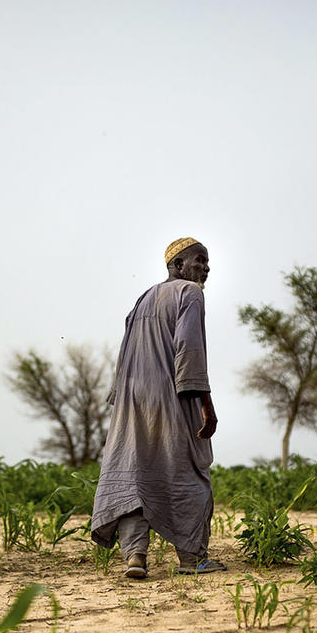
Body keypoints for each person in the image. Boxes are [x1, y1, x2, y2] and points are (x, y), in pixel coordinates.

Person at [90, 237, 227, 579]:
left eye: (208, 262)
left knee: (135, 475)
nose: (206, 268)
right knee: (189, 475)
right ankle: (192, 559)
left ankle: (135, 556)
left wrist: (121, 399)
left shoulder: (143, 298)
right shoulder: (190, 293)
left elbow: (125, 352)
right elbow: (189, 351)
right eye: (200, 261)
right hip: (171, 397)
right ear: (178, 265)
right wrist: (206, 406)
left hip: (131, 400)